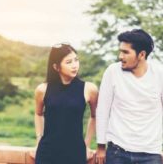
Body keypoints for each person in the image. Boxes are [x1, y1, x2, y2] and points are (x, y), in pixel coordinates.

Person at [96, 29, 163, 164]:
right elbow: (102, 110)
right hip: (117, 152)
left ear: (142, 54)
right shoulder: (112, 72)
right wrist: (101, 147)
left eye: (126, 52)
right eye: (120, 51)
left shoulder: (159, 74)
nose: (120, 56)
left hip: (150, 153)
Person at [33, 43, 98, 164]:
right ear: (56, 67)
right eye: (69, 62)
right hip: (47, 152)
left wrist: (86, 145)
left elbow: (94, 116)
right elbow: (38, 114)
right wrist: (38, 140)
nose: (75, 65)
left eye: (76, 60)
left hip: (75, 152)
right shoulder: (42, 89)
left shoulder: (89, 89)